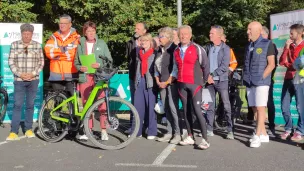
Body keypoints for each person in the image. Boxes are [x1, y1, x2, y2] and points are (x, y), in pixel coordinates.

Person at [74, 21, 113, 141]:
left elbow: (109, 61)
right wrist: (80, 68)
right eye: (88, 31)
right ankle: (88, 130)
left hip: (99, 77)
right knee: (87, 105)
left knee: (102, 104)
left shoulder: (101, 43)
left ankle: (103, 130)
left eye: (93, 30)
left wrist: (99, 64)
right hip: (85, 77)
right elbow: (76, 62)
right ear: (84, 32)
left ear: (95, 31)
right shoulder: (80, 44)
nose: (91, 33)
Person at [174, 25, 210, 149]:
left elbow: (205, 65)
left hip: (195, 84)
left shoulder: (198, 49)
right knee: (185, 111)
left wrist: (203, 81)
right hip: (181, 84)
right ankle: (190, 136)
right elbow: (175, 68)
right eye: (181, 34)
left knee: (197, 110)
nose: (183, 36)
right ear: (178, 36)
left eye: (185, 34)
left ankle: (205, 139)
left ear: (190, 35)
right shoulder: (176, 51)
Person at [6, 24, 44, 140]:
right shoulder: (15, 45)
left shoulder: (37, 46)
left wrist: (32, 74)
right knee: (17, 105)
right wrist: (20, 74)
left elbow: (41, 62)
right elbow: (11, 62)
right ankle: (14, 131)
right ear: (21, 33)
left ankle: (28, 129)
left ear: (32, 34)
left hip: (33, 80)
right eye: (24, 33)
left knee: (30, 105)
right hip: (19, 80)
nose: (26, 36)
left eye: (29, 34)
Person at [244, 21, 276, 148]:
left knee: (261, 107)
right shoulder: (249, 45)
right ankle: (263, 134)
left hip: (261, 82)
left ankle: (257, 135)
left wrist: (262, 77)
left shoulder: (268, 44)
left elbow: (271, 64)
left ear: (258, 31)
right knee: (253, 107)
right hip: (249, 80)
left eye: (250, 29)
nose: (248, 32)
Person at [204, 25, 234, 139]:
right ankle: (209, 129)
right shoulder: (208, 47)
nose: (209, 35)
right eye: (210, 33)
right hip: (209, 82)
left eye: (212, 33)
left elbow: (224, 66)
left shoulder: (226, 49)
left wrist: (213, 75)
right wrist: (207, 76)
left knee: (226, 105)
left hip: (221, 81)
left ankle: (230, 130)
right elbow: (204, 64)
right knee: (209, 105)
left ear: (219, 35)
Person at [154, 27, 180, 144]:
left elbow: (175, 68)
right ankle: (169, 132)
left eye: (161, 37)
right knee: (166, 108)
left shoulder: (174, 49)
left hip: (172, 83)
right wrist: (157, 80)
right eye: (159, 36)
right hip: (161, 82)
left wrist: (167, 81)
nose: (159, 39)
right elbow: (156, 66)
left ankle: (177, 133)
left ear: (168, 37)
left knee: (173, 108)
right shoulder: (160, 49)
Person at [44, 14, 80, 97]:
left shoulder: (76, 38)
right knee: (57, 101)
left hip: (71, 73)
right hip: (56, 74)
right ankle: (57, 110)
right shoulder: (54, 37)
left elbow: (73, 55)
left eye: (64, 23)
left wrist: (58, 55)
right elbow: (49, 53)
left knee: (73, 101)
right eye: (60, 23)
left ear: (70, 24)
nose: (62, 25)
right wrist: (65, 52)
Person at [279, 24, 304, 141]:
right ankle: (288, 129)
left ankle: (300, 130)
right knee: (284, 106)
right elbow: (281, 61)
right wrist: (286, 47)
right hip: (288, 78)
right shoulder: (289, 45)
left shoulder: (303, 46)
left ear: (300, 33)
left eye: (292, 33)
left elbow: (296, 65)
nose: (290, 35)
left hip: (299, 80)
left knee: (300, 106)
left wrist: (288, 65)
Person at [133, 33, 158, 139]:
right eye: (142, 40)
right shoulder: (139, 53)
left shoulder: (155, 53)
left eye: (146, 40)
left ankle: (151, 131)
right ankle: (137, 131)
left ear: (150, 42)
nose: (143, 42)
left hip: (150, 82)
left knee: (151, 108)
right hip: (140, 81)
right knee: (138, 107)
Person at [261, 26, 278, 137]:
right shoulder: (257, 44)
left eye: (261, 34)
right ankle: (260, 127)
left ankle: (271, 127)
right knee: (259, 104)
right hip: (257, 80)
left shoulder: (271, 45)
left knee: (269, 103)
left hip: (267, 79)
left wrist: (265, 75)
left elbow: (273, 64)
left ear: (266, 34)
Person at [126, 22, 148, 104]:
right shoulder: (130, 42)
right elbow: (129, 58)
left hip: (145, 75)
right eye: (135, 28)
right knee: (133, 97)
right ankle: (133, 116)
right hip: (133, 74)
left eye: (138, 29)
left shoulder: (150, 42)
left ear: (144, 31)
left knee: (145, 98)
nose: (135, 30)